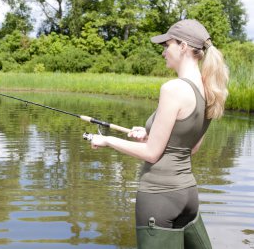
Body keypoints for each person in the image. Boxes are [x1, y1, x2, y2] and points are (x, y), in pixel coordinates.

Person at [88, 19, 229, 248]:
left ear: (183, 47)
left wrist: (106, 140)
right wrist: (149, 133)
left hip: (159, 198)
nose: (164, 52)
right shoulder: (210, 90)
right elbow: (189, 146)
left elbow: (153, 153)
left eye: (167, 45)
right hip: (188, 196)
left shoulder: (173, 89)